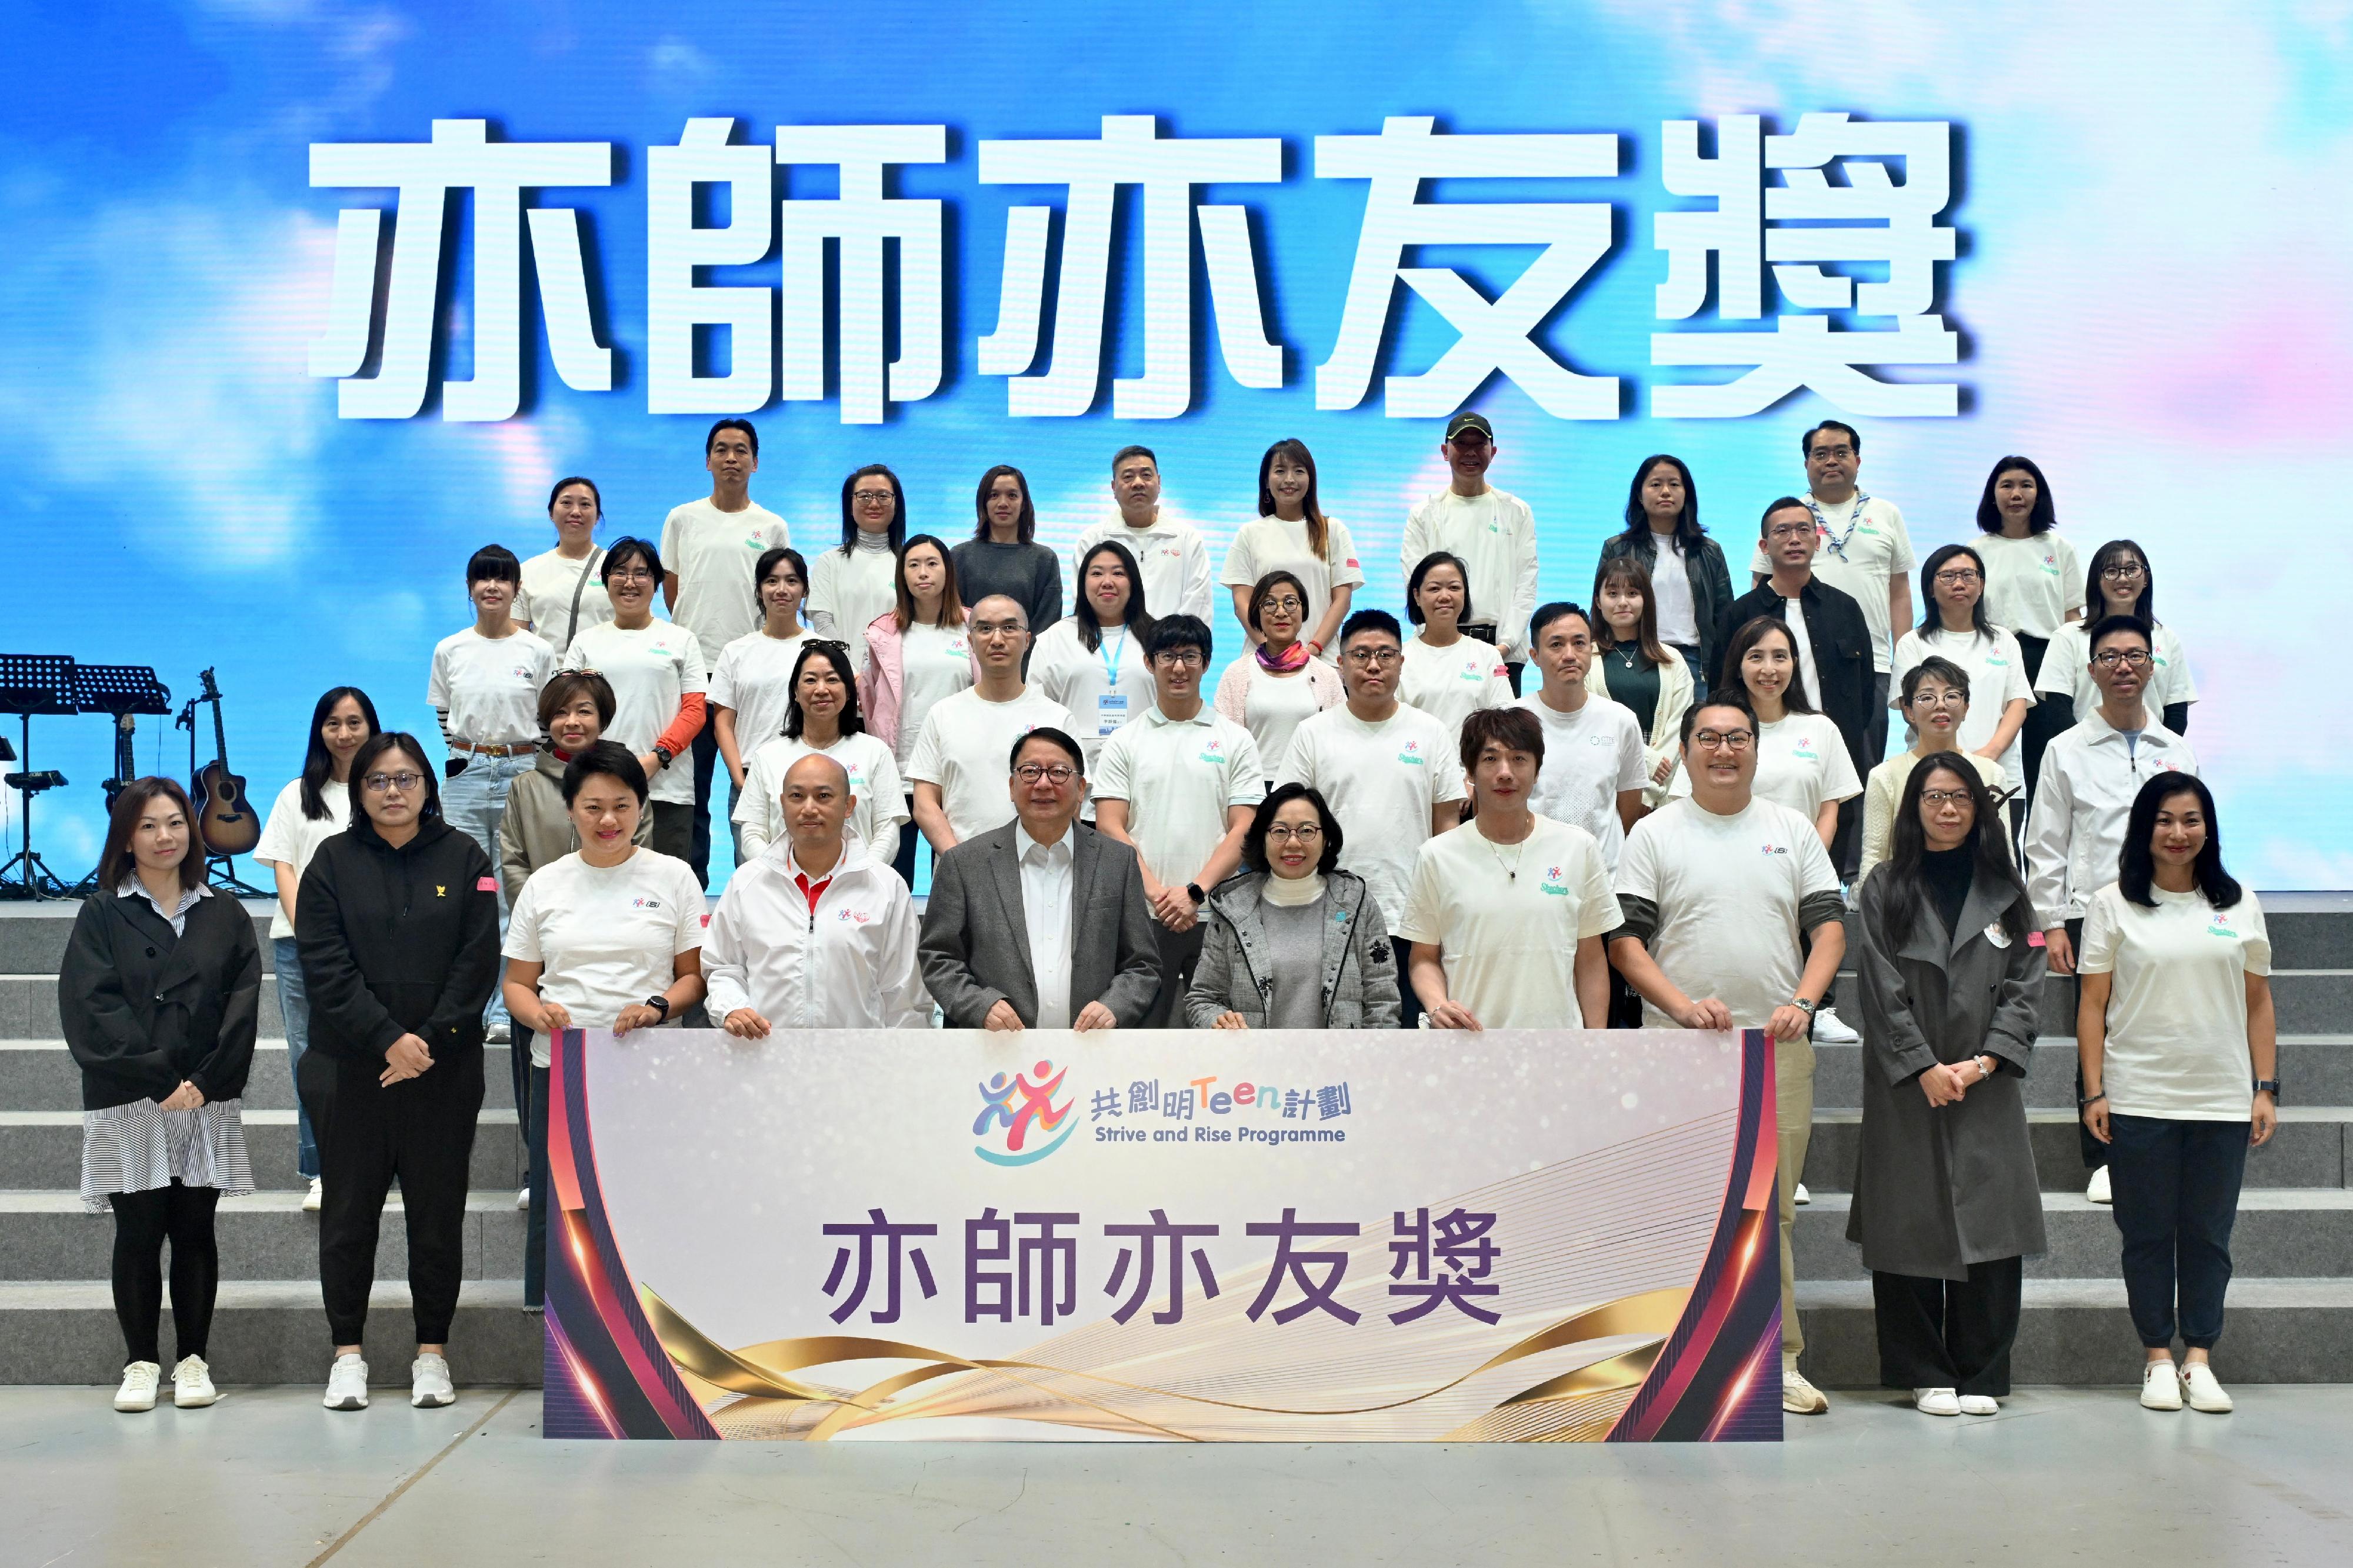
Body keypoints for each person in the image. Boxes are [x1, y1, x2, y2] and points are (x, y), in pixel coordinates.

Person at [1610, 693, 1847, 1416]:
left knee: (1768, 1213)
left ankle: (1778, 1361)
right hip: (1679, 1050)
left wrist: (1804, 1003)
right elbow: (1624, 942)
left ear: (1755, 747)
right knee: (1674, 1207)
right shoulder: (1653, 832)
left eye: (1737, 737)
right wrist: (1680, 1006)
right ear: (1683, 752)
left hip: (1774, 1047)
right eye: (1707, 738)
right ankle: (1664, 1363)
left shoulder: (1791, 827)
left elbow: (1829, 930)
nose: (1723, 750)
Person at [295, 733, 499, 1412]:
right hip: (350, 1068)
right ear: (359, 790)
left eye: (406, 778)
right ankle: (347, 1354)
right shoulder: (331, 861)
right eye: (378, 780)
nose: (392, 791)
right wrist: (387, 1039)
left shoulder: (464, 856)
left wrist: (427, 1042)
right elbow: (324, 966)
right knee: (348, 1217)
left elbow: (477, 961)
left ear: (427, 786)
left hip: (442, 1070)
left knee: (436, 1217)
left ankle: (431, 1354)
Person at [1849, 756, 2045, 1418]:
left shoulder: (2007, 889)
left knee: (1992, 1224)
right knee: (1906, 1222)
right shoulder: (1883, 886)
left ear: (1978, 806)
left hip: (1983, 1081)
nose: (1948, 808)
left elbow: (2026, 983)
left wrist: (1984, 1062)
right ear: (1913, 807)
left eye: (1960, 796)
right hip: (1909, 1081)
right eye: (1933, 796)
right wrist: (1923, 1064)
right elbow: (1877, 984)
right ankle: (1922, 1368)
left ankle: (1982, 1370)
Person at [61, 778, 259, 1414]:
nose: (164, 836)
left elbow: (242, 1004)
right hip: (131, 1095)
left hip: (204, 1095)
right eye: (147, 825)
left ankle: (195, 1360)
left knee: (196, 1229)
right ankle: (141, 1361)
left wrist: (203, 1080)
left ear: (193, 828)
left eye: (175, 822)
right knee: (139, 1231)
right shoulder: (100, 912)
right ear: (125, 835)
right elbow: (92, 1007)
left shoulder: (223, 911)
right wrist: (159, 1079)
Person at [2079, 774, 2274, 1414]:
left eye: (2191, 820)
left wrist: (2264, 1086)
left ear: (2208, 828)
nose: (2178, 832)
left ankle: (2198, 1357)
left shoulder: (2238, 902)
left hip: (2220, 1097)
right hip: (2138, 1094)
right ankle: (2156, 1357)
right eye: (2164, 820)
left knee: (2207, 1234)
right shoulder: (2114, 903)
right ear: (2145, 828)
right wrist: (2093, 1092)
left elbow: (2257, 1001)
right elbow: (2092, 1003)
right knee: (2144, 1232)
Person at [501, 742, 706, 1312]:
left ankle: (660, 1327)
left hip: (651, 1068)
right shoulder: (545, 884)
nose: (608, 820)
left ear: (642, 807)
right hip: (565, 1070)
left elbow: (693, 977)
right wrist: (535, 1011)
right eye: (593, 807)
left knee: (652, 1200)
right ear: (570, 809)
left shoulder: (674, 876)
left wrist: (659, 1006)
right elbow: (517, 983)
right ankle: (564, 1342)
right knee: (565, 1207)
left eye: (621, 804)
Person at [2027, 613, 2200, 1205]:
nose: (2123, 666)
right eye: (2109, 657)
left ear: (2153, 666)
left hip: (2170, 908)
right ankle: (2101, 1156)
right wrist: (2050, 922)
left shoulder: (2175, 750)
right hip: (2092, 913)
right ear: (2091, 669)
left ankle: (2164, 1148)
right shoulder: (2064, 750)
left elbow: (2195, 836)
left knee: (2164, 1026)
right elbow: (2044, 842)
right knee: (2096, 1033)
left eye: (2135, 655)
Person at [496, 670, 651, 1216]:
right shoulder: (526, 785)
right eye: (562, 712)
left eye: (584, 710)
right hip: (542, 939)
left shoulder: (629, 783)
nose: (573, 721)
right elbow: (511, 857)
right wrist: (539, 914)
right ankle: (539, 1164)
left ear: (603, 718)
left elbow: (639, 854)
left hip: (613, 943)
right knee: (533, 1056)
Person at [1276, 609, 1467, 1029]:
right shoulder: (1313, 733)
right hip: (1325, 914)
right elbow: (1289, 827)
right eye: (1361, 655)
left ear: (1402, 662)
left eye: (1385, 654)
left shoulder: (1430, 732)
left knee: (1406, 1043)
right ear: (1340, 664)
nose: (1374, 665)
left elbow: (1448, 830)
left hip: (1411, 916)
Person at [1680, 616, 1863, 1048]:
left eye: (1780, 657)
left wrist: (1806, 860)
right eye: (1756, 656)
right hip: (1722, 860)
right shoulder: (1717, 727)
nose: (1769, 668)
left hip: (1801, 862)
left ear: (1795, 664)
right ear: (1737, 664)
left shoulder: (1819, 728)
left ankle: (1819, 1007)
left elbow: (1830, 804)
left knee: (1816, 928)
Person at [917, 728, 1161, 1030]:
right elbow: (938, 956)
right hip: (997, 1051)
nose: (1044, 784)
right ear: (1011, 785)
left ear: (1081, 788)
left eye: (1059, 772)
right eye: (1030, 771)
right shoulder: (965, 863)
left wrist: (1116, 1006)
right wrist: (978, 1005)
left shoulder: (1117, 861)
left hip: (1092, 1048)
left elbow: (1142, 964)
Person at [1398, 708, 1618, 1030]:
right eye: (1490, 760)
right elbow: (1423, 958)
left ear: (1537, 770)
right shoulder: (1437, 855)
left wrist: (1594, 1042)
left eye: (1519, 759)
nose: (1505, 772)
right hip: (1469, 1042)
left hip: (1558, 1044)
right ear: (1470, 772)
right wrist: (1438, 1005)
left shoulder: (1578, 848)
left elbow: (1590, 960)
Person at [1094, 615, 1264, 1026]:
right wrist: (1157, 894)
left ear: (1206, 663)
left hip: (1219, 916)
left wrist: (1195, 892)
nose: (1179, 667)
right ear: (1150, 663)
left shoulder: (1235, 739)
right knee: (1142, 1034)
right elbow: (1110, 826)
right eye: (1167, 656)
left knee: (1224, 1034)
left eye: (1190, 656)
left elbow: (1244, 827)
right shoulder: (1124, 741)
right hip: (1143, 918)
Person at [254, 686, 378, 1213]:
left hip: (373, 946)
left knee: (373, 1050)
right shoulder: (295, 794)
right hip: (301, 946)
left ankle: (373, 1163)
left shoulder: (386, 790)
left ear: (372, 727)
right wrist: (313, 932)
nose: (345, 733)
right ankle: (322, 1168)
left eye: (355, 722)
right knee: (310, 1057)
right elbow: (284, 865)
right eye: (334, 723)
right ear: (319, 731)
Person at [706, 753, 931, 1033]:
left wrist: (898, 1065)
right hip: (763, 1056)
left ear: (849, 805)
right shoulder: (747, 882)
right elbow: (722, 967)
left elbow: (906, 995)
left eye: (824, 796)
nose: (809, 808)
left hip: (858, 1063)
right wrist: (732, 1007)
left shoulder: (886, 885)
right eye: (797, 796)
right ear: (782, 804)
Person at [429, 543, 555, 1043]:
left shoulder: (538, 651)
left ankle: (504, 1009)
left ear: (517, 589)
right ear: (469, 588)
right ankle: (464, 1003)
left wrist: (511, 757)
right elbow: (443, 716)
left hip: (522, 769)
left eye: (503, 579)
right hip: (465, 772)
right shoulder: (450, 648)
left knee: (511, 891)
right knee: (462, 888)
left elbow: (548, 719)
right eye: (482, 579)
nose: (492, 588)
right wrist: (474, 754)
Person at [659, 418, 791, 885]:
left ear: (755, 462)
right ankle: (690, 893)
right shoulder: (682, 518)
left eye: (740, 450)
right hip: (695, 675)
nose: (731, 458)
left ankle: (760, 888)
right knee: (689, 794)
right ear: (708, 460)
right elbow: (674, 594)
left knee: (753, 787)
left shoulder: (771, 525)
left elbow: (778, 591)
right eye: (721, 450)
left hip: (750, 677)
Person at [1747, 421, 1916, 776]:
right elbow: (1760, 589)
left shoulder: (1886, 513)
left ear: (1858, 459)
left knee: (1862, 770)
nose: (1831, 461)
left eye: (1841, 452)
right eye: (1820, 454)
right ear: (1806, 464)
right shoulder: (1789, 519)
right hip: (1793, 661)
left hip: (1872, 662)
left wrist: (1905, 656)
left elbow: (1899, 591)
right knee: (1789, 765)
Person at [1722, 497, 1875, 886]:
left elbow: (1865, 694)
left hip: (1827, 762)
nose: (1795, 538)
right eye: (1782, 531)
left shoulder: (1846, 609)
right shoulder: (1740, 614)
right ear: (1764, 546)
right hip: (1759, 763)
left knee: (1823, 884)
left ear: (1818, 540)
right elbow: (1723, 691)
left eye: (1804, 529)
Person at [1186, 783, 1402, 1029]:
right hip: (1256, 1061)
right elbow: (1202, 999)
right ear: (1262, 838)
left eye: (1307, 831)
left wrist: (1366, 1062)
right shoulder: (1231, 907)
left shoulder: (1356, 902)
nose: (1293, 843)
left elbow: (1383, 1000)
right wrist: (1218, 1022)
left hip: (1341, 1063)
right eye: (1280, 831)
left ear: (1326, 838)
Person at [561, 537, 706, 864]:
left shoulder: (681, 639)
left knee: (667, 890)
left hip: (667, 788)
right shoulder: (585, 643)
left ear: (655, 583)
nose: (630, 582)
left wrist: (656, 758)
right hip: (599, 790)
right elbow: (571, 713)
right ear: (606, 580)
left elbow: (695, 712)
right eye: (620, 572)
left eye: (641, 573)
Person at [907, 595, 1073, 850]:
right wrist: (960, 863)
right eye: (985, 629)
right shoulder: (943, 714)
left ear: (1027, 640)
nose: (997, 640)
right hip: (960, 869)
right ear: (971, 642)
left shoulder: (1057, 718)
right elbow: (925, 803)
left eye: (1009, 628)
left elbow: (1070, 803)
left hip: (1039, 869)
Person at [1889, 543, 2035, 822]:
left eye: (1969, 575)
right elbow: (1910, 710)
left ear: (1981, 585)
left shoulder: (2004, 640)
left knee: (1997, 861)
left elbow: (2018, 705)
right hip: (1932, 777)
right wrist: (1952, 762)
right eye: (1948, 576)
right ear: (1930, 587)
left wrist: (1986, 757)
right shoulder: (1914, 642)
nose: (1959, 583)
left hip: (1999, 776)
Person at [862, 535, 975, 888]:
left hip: (957, 769)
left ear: (948, 571)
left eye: (932, 563)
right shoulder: (883, 631)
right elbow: (868, 699)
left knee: (956, 881)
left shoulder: (974, 626)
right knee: (893, 883)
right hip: (900, 770)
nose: (923, 573)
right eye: (913, 565)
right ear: (902, 576)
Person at [1971, 456, 2083, 803]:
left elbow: (2072, 615)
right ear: (1992, 496)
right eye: (2006, 486)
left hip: (2046, 660)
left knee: (2044, 763)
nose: (2016, 494)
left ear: (2040, 494)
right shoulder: (1975, 552)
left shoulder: (2059, 549)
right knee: (1988, 753)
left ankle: (2037, 855)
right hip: (1992, 659)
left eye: (2026, 485)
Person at [1401, 412, 1539, 692]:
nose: (1471, 453)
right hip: (1440, 647)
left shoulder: (1516, 510)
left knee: (1500, 735)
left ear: (1494, 452)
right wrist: (1438, 640)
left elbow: (1526, 584)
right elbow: (1415, 584)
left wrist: (1505, 645)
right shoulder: (1425, 514)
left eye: (1480, 445)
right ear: (1445, 451)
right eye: (1462, 443)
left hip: (1503, 650)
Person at [735, 640, 908, 860]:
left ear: (848, 692)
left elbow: (888, 831)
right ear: (796, 692)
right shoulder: (767, 757)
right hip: (782, 887)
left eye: (832, 680)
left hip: (859, 886)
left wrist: (860, 875)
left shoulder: (875, 753)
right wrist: (778, 878)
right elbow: (752, 832)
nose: (821, 689)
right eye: (810, 680)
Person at [1512, 602, 1647, 868]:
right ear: (1535, 656)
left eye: (1579, 643)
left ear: (1592, 650)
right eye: (1556, 645)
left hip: (1603, 877)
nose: (1570, 654)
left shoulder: (1621, 720)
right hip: (1530, 871)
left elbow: (1628, 810)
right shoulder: (1511, 721)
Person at [1594, 454, 1735, 693]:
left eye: (1674, 484)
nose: (1666, 492)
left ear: (1686, 494)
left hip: (1696, 664)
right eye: (1656, 484)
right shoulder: (1617, 548)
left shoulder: (1709, 551)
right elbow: (1601, 607)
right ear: (1640, 495)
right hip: (1635, 657)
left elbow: (1724, 617)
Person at [1859, 658, 2003, 883]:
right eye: (1927, 697)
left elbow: (2005, 859)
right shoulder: (1885, 776)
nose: (1941, 705)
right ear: (1909, 712)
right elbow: (1873, 864)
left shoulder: (1991, 773)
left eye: (1952, 696)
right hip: (1905, 905)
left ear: (1966, 708)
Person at [2035, 539, 2198, 736]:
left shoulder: (2167, 639)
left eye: (2132, 570)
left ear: (2145, 578)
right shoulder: (2068, 636)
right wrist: (2082, 752)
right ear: (2097, 580)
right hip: (2085, 756)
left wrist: (2158, 755)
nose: (2123, 578)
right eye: (2112, 571)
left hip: (2151, 758)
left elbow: (2176, 710)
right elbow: (2057, 709)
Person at [1031, 538, 1158, 783]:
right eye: (1097, 573)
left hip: (1146, 774)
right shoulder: (1054, 638)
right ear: (1083, 582)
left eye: (1118, 573)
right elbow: (1038, 711)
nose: (1107, 582)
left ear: (1134, 582)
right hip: (1071, 780)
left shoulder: (1158, 637)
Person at [1222, 439, 1363, 660]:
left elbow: (1342, 600)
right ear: (1266, 481)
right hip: (1263, 659)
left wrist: (1312, 649)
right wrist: (1273, 650)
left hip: (1322, 659)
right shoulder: (1249, 533)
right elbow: (1243, 604)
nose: (1289, 479)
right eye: (1280, 471)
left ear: (1311, 479)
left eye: (1298, 471)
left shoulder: (1333, 530)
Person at [1212, 570, 1345, 788]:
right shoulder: (1236, 674)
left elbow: (1339, 742)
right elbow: (1222, 744)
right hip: (1250, 790)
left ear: (1303, 611)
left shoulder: (1327, 676)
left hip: (1308, 790)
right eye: (1270, 604)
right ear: (1257, 613)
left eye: (1290, 603)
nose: (1281, 612)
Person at [709, 546, 812, 822]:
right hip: (751, 779)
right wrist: (739, 779)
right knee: (751, 865)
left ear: (805, 590)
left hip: (811, 779)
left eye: (792, 581)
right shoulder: (735, 651)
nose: (782, 589)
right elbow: (723, 723)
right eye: (771, 581)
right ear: (758, 591)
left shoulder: (822, 650)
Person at [1587, 557, 1697, 812]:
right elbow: (1590, 725)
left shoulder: (1673, 660)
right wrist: (1647, 761)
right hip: (1602, 788)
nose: (1623, 602)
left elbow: (1681, 725)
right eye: (1613, 594)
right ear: (1598, 601)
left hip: (1662, 793)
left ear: (1646, 599)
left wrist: (1647, 794)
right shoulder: (1586, 660)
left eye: (1633, 593)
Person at [1070, 445, 1212, 619]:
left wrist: (1175, 644)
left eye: (1146, 475)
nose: (1138, 483)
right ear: (1114, 487)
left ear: (1159, 483)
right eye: (1128, 477)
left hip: (1173, 644)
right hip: (1111, 643)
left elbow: (1198, 604)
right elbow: (1084, 603)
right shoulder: (1093, 539)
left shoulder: (1187, 538)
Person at [1398, 551, 1514, 738]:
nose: (1445, 596)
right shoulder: (1400, 658)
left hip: (1473, 766)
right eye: (1434, 589)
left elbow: (1505, 720)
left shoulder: (1488, 655)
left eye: (1454, 588)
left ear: (1465, 594)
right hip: (1417, 765)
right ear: (1417, 596)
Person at [808, 464, 905, 665]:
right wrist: (849, 670)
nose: (874, 503)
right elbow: (823, 623)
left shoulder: (909, 564)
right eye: (864, 496)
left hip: (898, 676)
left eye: (884, 496)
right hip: (846, 679)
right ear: (849, 505)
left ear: (897, 505)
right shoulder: (829, 562)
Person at [952, 464, 1061, 641]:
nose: (1003, 503)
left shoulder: (1044, 559)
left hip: (1028, 665)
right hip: (970, 661)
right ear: (983, 503)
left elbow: (1047, 627)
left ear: (1024, 503)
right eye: (994, 495)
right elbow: (955, 620)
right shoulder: (959, 556)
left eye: (1012, 495)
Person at [515, 476, 614, 656]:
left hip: (603, 678)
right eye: (566, 503)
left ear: (598, 516)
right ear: (551, 513)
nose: (576, 511)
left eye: (585, 504)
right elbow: (517, 641)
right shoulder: (528, 571)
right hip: (547, 679)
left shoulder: (617, 568)